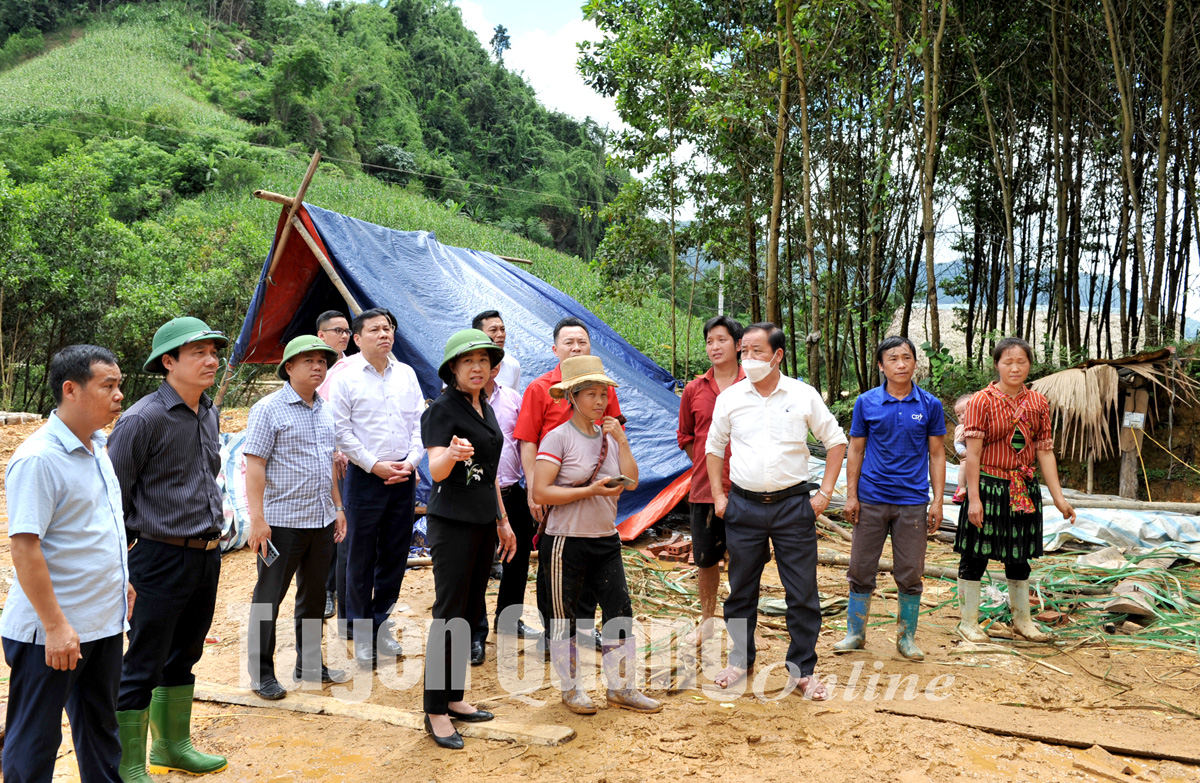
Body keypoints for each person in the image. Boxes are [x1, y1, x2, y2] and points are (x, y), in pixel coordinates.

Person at [2, 345, 133, 783]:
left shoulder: (98, 447)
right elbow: (25, 548)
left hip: (102, 621)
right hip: (52, 632)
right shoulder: (39, 458)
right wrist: (55, 626)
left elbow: (94, 527)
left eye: (119, 385)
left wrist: (121, 581)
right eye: (108, 386)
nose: (119, 395)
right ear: (71, 389)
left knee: (101, 733)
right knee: (35, 742)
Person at [108, 317, 229, 780]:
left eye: (213, 352)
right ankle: (126, 765)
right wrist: (121, 568)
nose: (211, 360)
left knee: (185, 653)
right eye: (198, 352)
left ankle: (172, 746)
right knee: (144, 660)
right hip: (157, 557)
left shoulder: (209, 412)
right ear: (168, 362)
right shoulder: (143, 419)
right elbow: (112, 499)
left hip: (206, 553)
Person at [705, 322, 846, 700]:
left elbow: (836, 442)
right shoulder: (731, 398)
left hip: (793, 508)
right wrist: (719, 497)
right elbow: (714, 448)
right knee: (740, 591)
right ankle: (740, 660)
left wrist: (824, 495)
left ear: (777, 355)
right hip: (743, 507)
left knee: (802, 592)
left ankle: (802, 670)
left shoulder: (802, 395)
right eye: (745, 351)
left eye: (758, 351)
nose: (748, 358)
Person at [532, 355, 662, 715]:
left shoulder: (610, 436)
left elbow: (631, 482)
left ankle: (621, 688)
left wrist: (622, 440)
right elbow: (540, 492)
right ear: (572, 397)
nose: (600, 401)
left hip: (606, 538)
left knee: (620, 611)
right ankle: (571, 689)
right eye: (591, 394)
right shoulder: (558, 438)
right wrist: (590, 491)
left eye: (603, 393)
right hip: (565, 540)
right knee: (566, 616)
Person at [420, 329, 519, 749]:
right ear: (453, 368)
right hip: (452, 523)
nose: (477, 367)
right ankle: (435, 710)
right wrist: (451, 454)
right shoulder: (441, 410)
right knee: (448, 612)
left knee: (469, 609)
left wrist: (502, 520)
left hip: (482, 521)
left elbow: (490, 474)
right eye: (468, 361)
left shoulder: (484, 407)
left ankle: (454, 696)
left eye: (483, 360)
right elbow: (435, 470)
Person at [244, 336, 349, 701]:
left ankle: (310, 664)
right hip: (280, 524)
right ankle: (261, 674)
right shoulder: (268, 409)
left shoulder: (325, 409)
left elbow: (328, 463)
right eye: (308, 361)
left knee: (314, 597)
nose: (318, 366)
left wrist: (338, 507)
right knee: (268, 599)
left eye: (322, 361)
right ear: (288, 368)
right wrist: (257, 519)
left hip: (320, 520)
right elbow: (255, 466)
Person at [955, 337, 1076, 644]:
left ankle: (1023, 620)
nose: (1014, 368)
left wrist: (1059, 499)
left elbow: (1045, 451)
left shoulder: (1038, 403)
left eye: (1021, 362)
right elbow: (973, 455)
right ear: (996, 365)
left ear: (1029, 365)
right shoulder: (981, 401)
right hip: (987, 487)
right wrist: (974, 499)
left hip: (1023, 489)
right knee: (975, 555)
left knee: (1019, 557)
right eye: (1007, 362)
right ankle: (968, 622)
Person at [514, 317, 621, 651]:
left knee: (591, 565)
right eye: (569, 342)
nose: (576, 347)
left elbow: (613, 432)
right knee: (554, 566)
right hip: (553, 489)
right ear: (555, 348)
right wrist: (534, 490)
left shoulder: (603, 389)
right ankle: (555, 634)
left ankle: (584, 630)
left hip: (594, 497)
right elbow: (528, 441)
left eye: (582, 342)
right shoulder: (539, 388)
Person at [836, 336, 946, 661]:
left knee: (910, 571)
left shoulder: (930, 405)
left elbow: (937, 454)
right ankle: (855, 634)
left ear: (915, 363)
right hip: (870, 498)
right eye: (893, 359)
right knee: (860, 568)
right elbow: (856, 450)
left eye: (907, 358)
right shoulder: (866, 402)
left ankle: (906, 638)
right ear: (881, 366)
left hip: (912, 501)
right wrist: (851, 496)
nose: (901, 364)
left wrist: (938, 501)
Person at [328, 307, 426, 668]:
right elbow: (341, 431)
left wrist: (411, 462)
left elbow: (420, 423)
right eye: (375, 330)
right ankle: (360, 632)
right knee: (360, 556)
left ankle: (381, 623)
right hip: (365, 478)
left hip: (403, 476)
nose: (384, 334)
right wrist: (374, 465)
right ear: (357, 339)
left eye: (388, 328)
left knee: (395, 555)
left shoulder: (407, 374)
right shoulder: (346, 378)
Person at [470, 355, 542, 667]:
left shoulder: (513, 398)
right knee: (476, 563)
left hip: (512, 491)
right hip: (477, 494)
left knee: (518, 558)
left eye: (492, 359)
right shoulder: (460, 402)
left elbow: (525, 443)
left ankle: (509, 618)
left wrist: (532, 486)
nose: (487, 365)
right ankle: (475, 633)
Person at [676, 315, 745, 646]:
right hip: (704, 490)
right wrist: (710, 468)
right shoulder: (694, 389)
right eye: (709, 341)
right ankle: (706, 622)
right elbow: (686, 436)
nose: (714, 347)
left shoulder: (753, 385)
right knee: (706, 560)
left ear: (738, 344)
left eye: (722, 340)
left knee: (745, 562)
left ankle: (742, 627)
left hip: (747, 490)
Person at [316, 310, 351, 620]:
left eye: (347, 331)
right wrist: (333, 452)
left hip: (351, 461)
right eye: (337, 330)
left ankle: (344, 590)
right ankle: (326, 590)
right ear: (321, 335)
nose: (344, 336)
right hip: (323, 460)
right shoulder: (316, 372)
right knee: (330, 525)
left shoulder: (353, 368)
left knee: (347, 525)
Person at [473, 309, 521, 390]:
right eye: (493, 330)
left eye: (502, 329)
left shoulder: (512, 365)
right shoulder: (464, 364)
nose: (500, 334)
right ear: (478, 334)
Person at [951, 394, 973, 504]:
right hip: (970, 457)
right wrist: (965, 452)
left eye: (965, 412)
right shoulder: (962, 428)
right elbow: (958, 444)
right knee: (964, 465)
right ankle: (962, 488)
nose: (962, 417)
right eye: (959, 415)